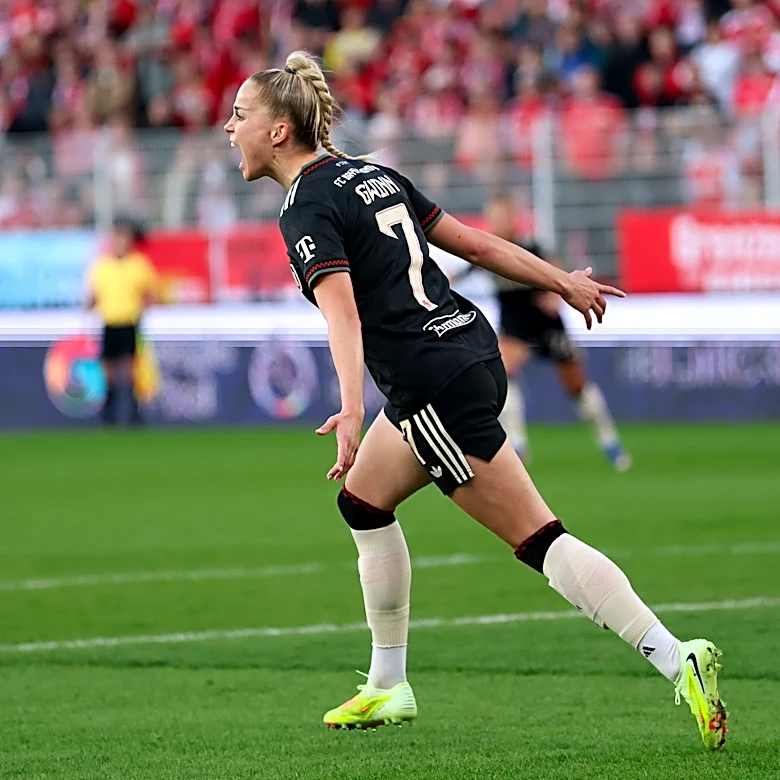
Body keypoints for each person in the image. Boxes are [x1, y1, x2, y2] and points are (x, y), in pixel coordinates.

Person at [223, 51, 727, 749]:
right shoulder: (372, 175)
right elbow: (478, 245)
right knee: (363, 501)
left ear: (278, 130)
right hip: (468, 350)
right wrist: (562, 281)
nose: (229, 128)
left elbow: (344, 314)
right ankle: (387, 684)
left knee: (539, 539)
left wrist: (351, 408)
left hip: (431, 385)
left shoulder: (307, 205)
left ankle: (676, 656)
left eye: (240, 115)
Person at [451, 192, 631, 469]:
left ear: (513, 219)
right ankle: (518, 445)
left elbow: (556, 270)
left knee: (576, 386)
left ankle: (609, 441)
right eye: (493, 217)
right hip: (515, 325)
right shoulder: (484, 251)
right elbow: (458, 275)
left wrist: (556, 295)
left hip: (544, 322)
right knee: (502, 373)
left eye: (502, 216)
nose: (497, 223)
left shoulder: (530, 249)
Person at [85, 217, 158, 425]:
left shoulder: (138, 264)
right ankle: (109, 412)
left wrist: (144, 310)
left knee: (128, 369)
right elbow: (93, 295)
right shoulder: (102, 266)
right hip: (109, 323)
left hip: (129, 323)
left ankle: (132, 412)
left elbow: (150, 293)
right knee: (107, 369)